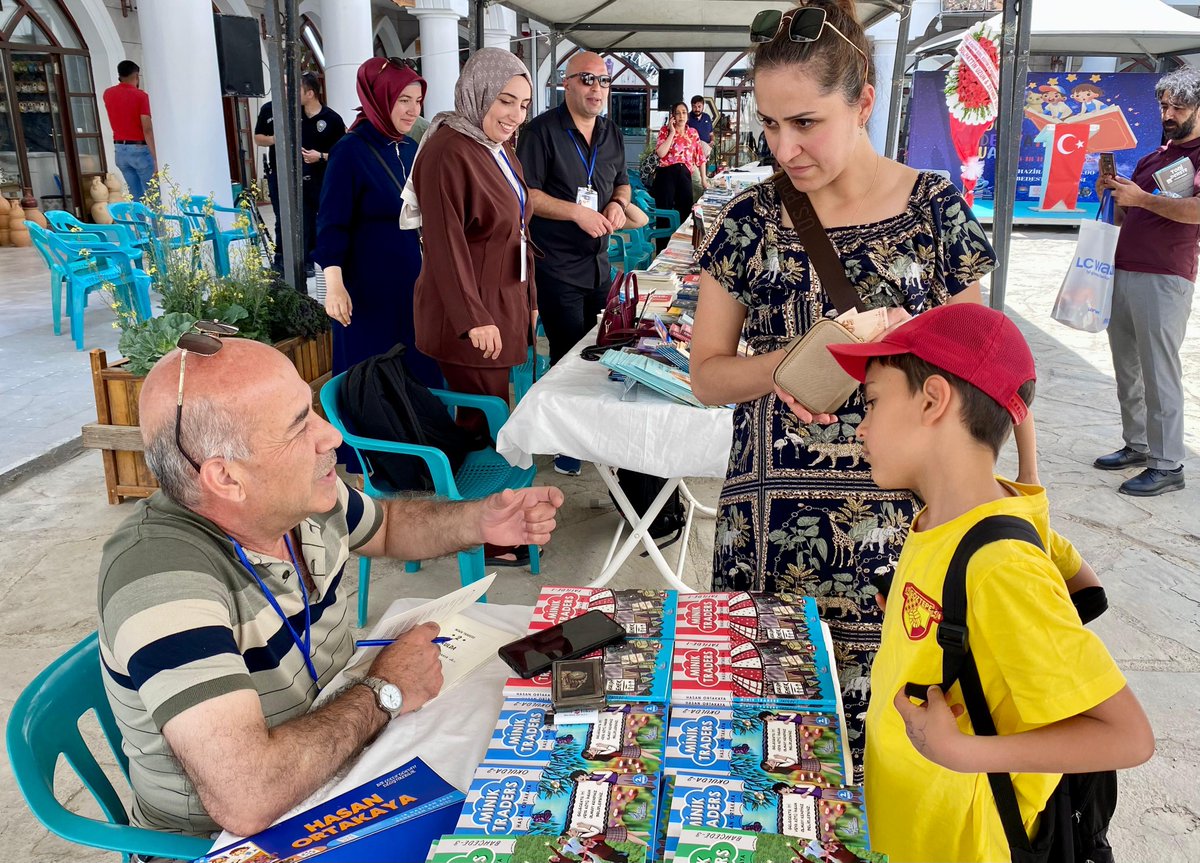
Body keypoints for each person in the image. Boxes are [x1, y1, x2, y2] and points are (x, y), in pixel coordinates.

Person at [688, 0, 1037, 779]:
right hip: (768, 533)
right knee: (773, 758)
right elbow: (706, 372)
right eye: (770, 125)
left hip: (903, 542)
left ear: (865, 103)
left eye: (806, 122)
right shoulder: (749, 219)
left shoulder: (937, 213)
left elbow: (977, 386)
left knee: (897, 756)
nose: (786, 147)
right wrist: (796, 359)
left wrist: (898, 350)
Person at [97, 335, 563, 838]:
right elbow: (247, 797)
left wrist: (480, 522)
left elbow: (385, 528)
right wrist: (384, 689)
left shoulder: (297, 499)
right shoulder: (160, 578)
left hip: (344, 753)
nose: (332, 437)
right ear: (227, 478)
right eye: (300, 426)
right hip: (238, 838)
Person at [824, 304, 1154, 862]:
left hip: (966, 842)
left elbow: (1128, 737)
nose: (860, 426)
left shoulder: (1000, 566)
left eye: (873, 402)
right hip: (915, 821)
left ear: (932, 400)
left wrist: (962, 751)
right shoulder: (939, 517)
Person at [518, 50, 631, 476]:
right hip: (557, 265)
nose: (597, 89)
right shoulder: (541, 132)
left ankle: (597, 431)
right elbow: (526, 194)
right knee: (567, 356)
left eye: (603, 81)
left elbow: (621, 179)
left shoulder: (611, 132)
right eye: (587, 80)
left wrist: (619, 204)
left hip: (598, 263)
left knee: (606, 350)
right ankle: (568, 444)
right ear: (566, 83)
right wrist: (575, 211)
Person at [411, 50, 534, 435]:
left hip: (502, 302)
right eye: (506, 101)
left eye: (524, 105)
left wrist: (530, 300)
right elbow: (444, 245)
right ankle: (479, 494)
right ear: (478, 92)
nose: (515, 115)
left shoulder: (495, 147)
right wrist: (475, 318)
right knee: (484, 423)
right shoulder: (448, 150)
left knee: (489, 415)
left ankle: (485, 489)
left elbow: (517, 228)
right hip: (473, 315)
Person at [1093, 66, 1199, 497]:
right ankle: (1138, 444)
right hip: (1126, 268)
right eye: (1163, 104)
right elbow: (1126, 215)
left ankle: (1168, 463)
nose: (1168, 112)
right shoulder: (1153, 158)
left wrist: (1141, 198)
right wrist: (1115, 191)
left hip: (1166, 275)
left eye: (1179, 105)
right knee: (1128, 369)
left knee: (1160, 372)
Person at [316, 59, 440, 394]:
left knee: (417, 374)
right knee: (371, 380)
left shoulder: (413, 148)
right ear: (379, 97)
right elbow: (331, 223)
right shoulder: (350, 150)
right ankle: (367, 448)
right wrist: (334, 286)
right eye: (403, 100)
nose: (413, 110)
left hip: (412, 285)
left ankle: (419, 443)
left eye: (417, 101)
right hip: (368, 291)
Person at [254, 74, 347, 274]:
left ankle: (319, 260)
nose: (287, 89)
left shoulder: (330, 118)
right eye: (286, 84)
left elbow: (345, 152)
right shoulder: (280, 111)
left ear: (310, 93)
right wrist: (275, 139)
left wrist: (320, 156)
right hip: (285, 175)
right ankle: (285, 261)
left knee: (320, 218)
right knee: (289, 217)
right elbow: (259, 138)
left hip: (320, 177)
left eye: (291, 85)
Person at [652, 101, 706, 241]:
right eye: (678, 113)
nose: (681, 116)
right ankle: (662, 249)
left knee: (685, 212)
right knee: (664, 213)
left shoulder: (693, 133)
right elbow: (661, 153)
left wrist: (704, 179)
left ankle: (681, 246)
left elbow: (700, 158)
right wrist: (672, 133)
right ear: (673, 116)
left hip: (685, 175)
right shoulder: (665, 131)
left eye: (684, 112)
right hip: (666, 175)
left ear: (687, 115)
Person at [102, 60, 156, 201]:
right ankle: (158, 224)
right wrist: (156, 157)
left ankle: (139, 223)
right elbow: (147, 129)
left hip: (120, 149)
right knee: (154, 197)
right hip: (139, 149)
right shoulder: (141, 97)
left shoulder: (108, 94)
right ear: (136, 76)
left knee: (136, 196)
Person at [687, 94, 714, 162]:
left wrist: (712, 141)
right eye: (694, 107)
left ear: (703, 106)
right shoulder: (687, 118)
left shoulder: (707, 117)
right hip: (692, 154)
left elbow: (711, 134)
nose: (697, 109)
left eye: (699, 106)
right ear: (691, 106)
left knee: (705, 172)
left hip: (706, 153)